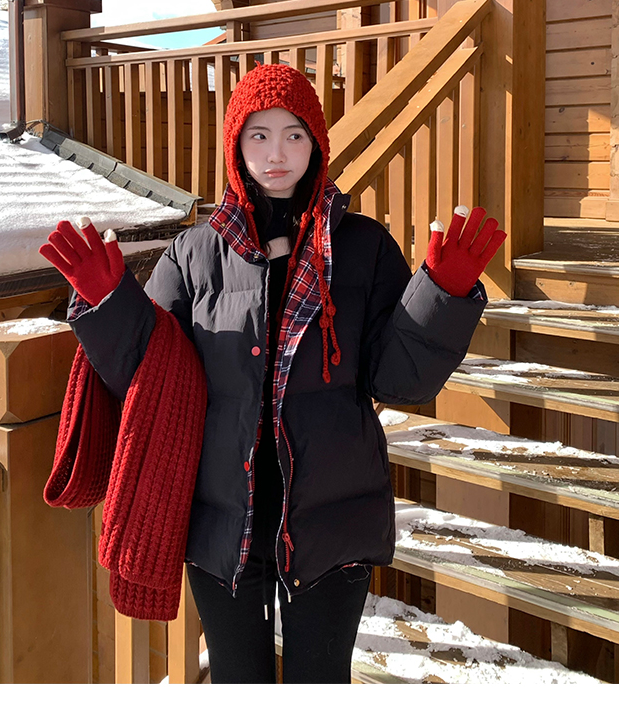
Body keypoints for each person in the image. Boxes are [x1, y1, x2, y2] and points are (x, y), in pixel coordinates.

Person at [40, 62, 505, 684]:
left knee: (321, 680)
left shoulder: (364, 247)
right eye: (258, 135)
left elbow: (401, 382)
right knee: (239, 680)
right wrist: (110, 303)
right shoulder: (195, 252)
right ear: (236, 145)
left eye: (293, 134)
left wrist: (441, 295)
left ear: (316, 143)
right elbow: (151, 377)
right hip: (221, 520)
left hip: (331, 517)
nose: (276, 153)